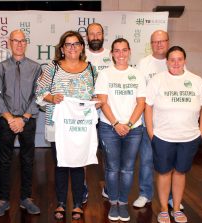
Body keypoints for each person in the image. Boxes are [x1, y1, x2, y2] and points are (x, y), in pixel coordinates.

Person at [36, 30, 97, 221]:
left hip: (81, 127)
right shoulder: (51, 68)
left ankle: (78, 204)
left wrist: (97, 101)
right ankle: (61, 202)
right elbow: (39, 92)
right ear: (62, 48)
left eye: (76, 44)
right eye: (68, 44)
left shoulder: (91, 69)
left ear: (81, 47)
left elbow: (97, 94)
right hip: (58, 125)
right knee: (61, 164)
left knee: (79, 165)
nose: (72, 48)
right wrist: (52, 97)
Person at [145, 46, 202, 223]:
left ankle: (176, 208)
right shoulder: (157, 80)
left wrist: (201, 132)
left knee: (180, 173)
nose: (175, 63)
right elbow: (148, 106)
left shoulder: (196, 80)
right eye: (172, 59)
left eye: (179, 59)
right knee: (164, 173)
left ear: (185, 61)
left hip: (188, 138)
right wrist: (152, 133)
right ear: (166, 62)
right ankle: (164, 209)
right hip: (163, 137)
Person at [95, 38, 146, 222]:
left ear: (129, 51)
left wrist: (129, 125)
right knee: (111, 168)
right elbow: (103, 102)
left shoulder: (137, 74)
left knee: (127, 169)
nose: (121, 54)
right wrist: (117, 124)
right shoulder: (105, 74)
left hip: (134, 129)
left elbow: (141, 103)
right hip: (109, 128)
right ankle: (113, 202)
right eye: (117, 50)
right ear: (112, 54)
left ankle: (123, 203)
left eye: (124, 50)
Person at [0, 30, 41, 217]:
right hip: (6, 120)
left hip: (27, 120)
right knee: (4, 161)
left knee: (28, 160)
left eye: (22, 41)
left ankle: (26, 198)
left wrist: (25, 117)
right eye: (15, 41)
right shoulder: (1, 68)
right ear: (9, 43)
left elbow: (38, 94)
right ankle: (3, 199)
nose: (19, 44)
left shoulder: (36, 68)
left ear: (26, 43)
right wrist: (9, 118)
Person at [133, 30, 170, 208]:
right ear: (151, 44)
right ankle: (145, 193)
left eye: (162, 41)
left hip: (169, 123)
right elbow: (138, 92)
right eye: (155, 42)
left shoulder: (174, 61)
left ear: (168, 42)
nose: (159, 44)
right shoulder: (143, 64)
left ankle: (171, 197)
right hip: (147, 120)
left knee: (169, 161)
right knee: (146, 159)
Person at [85, 22, 112, 200]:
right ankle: (82, 188)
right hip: (85, 114)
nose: (95, 37)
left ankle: (108, 187)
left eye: (98, 33)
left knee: (107, 153)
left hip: (106, 114)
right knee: (84, 151)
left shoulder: (112, 56)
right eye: (91, 34)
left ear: (103, 35)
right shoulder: (80, 55)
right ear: (87, 37)